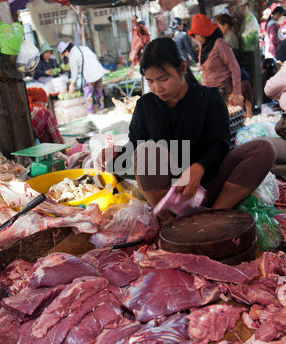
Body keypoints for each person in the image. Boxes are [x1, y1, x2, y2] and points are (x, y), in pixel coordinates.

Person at [99, 37, 276, 224]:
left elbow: (220, 143)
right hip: (168, 193)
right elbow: (136, 145)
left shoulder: (209, 98)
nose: (157, 87)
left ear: (182, 68)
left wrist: (199, 168)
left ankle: (214, 215)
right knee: (146, 150)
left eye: (163, 79)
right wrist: (118, 152)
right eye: (150, 81)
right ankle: (169, 221)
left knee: (264, 149)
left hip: (209, 184)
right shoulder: (145, 105)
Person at [188, 13, 243, 108]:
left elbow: (235, 67)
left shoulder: (220, 44)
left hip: (223, 91)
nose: (196, 38)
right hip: (209, 91)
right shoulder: (203, 46)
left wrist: (237, 92)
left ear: (206, 32)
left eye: (198, 34)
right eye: (195, 35)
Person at [58, 41, 105, 114]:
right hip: (98, 70)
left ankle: (90, 112)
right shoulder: (84, 48)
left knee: (88, 93)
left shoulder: (72, 56)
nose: (65, 55)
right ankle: (101, 108)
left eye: (64, 54)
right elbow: (94, 56)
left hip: (89, 74)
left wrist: (72, 85)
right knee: (99, 91)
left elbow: (74, 73)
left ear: (66, 51)